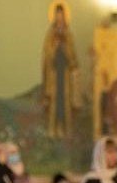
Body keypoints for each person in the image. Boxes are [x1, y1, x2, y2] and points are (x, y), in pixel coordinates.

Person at [42, 3, 78, 138]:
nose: (59, 19)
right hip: (54, 74)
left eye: (61, 16)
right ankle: (53, 129)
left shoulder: (69, 35)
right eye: (57, 16)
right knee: (54, 102)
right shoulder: (50, 34)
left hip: (65, 75)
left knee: (64, 101)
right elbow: (47, 54)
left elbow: (73, 57)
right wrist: (55, 46)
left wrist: (64, 46)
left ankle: (65, 129)